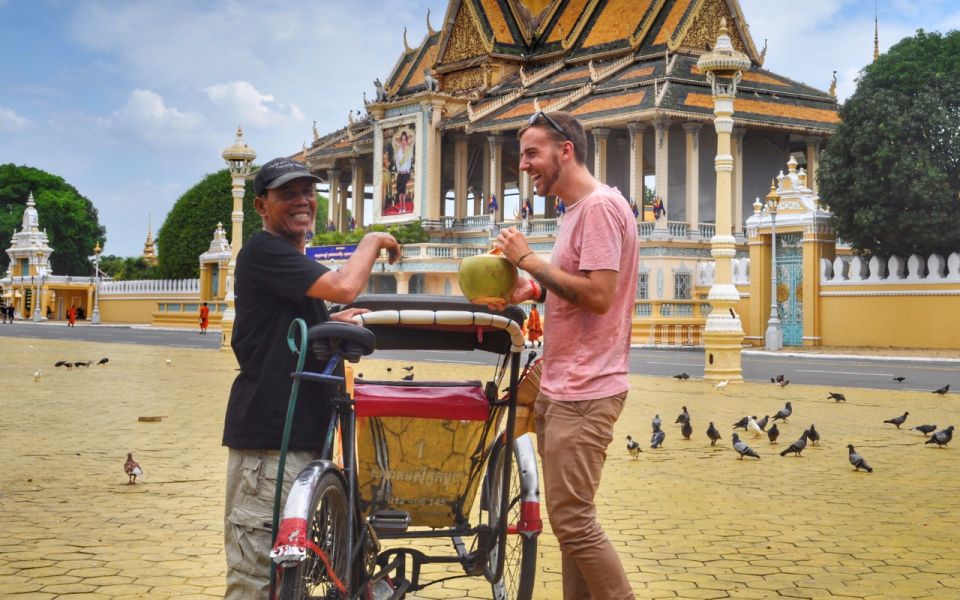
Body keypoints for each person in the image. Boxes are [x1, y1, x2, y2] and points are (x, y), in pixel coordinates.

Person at [222, 157, 399, 599]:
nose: (302, 201)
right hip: (269, 444)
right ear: (260, 205)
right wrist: (373, 240)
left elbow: (301, 319)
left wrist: (333, 317)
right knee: (258, 576)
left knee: (293, 575)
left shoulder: (292, 266)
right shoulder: (264, 251)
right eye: (287, 194)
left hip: (300, 439)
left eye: (308, 192)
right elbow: (343, 285)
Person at [493, 111, 639, 600]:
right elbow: (573, 286)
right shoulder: (580, 210)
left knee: (575, 524)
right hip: (566, 385)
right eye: (523, 156)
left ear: (566, 151)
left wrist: (527, 259)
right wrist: (527, 288)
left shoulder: (597, 208)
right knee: (570, 525)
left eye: (532, 153)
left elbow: (598, 295)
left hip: (585, 390)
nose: (525, 166)